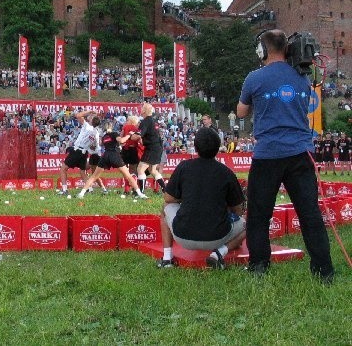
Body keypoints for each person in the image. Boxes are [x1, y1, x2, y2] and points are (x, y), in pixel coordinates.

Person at [237, 29, 334, 283]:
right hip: (301, 153)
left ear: (263, 50)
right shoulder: (302, 79)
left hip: (268, 154)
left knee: (259, 214)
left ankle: (259, 264)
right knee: (310, 213)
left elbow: (241, 112)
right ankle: (324, 270)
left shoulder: (254, 78)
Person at [157, 127, 246, 269]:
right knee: (248, 224)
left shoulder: (183, 167)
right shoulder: (226, 172)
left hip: (183, 236)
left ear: (196, 147)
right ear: (218, 148)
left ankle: (167, 258)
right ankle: (219, 253)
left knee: (164, 209)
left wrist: (188, 198)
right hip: (217, 237)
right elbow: (238, 210)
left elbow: (168, 199)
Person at [77, 122, 146, 199]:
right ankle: (140, 194)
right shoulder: (114, 134)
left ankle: (81, 193)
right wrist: (129, 134)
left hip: (105, 156)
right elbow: (122, 140)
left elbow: (110, 143)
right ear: (111, 127)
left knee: (93, 177)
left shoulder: (104, 137)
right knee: (129, 176)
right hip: (114, 156)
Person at [56, 109, 100, 196]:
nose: (89, 117)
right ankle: (90, 189)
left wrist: (89, 111)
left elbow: (78, 115)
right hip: (85, 152)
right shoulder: (96, 133)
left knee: (63, 169)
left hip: (77, 150)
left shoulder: (87, 126)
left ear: (92, 121)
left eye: (91, 117)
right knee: (82, 172)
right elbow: (93, 146)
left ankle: (65, 190)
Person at [132, 103, 166, 195]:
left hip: (152, 148)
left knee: (140, 169)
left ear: (144, 110)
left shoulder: (145, 121)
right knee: (152, 170)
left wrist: (130, 135)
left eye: (142, 108)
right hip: (157, 147)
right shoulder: (153, 120)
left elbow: (138, 135)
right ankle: (165, 189)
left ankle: (141, 192)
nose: (140, 109)